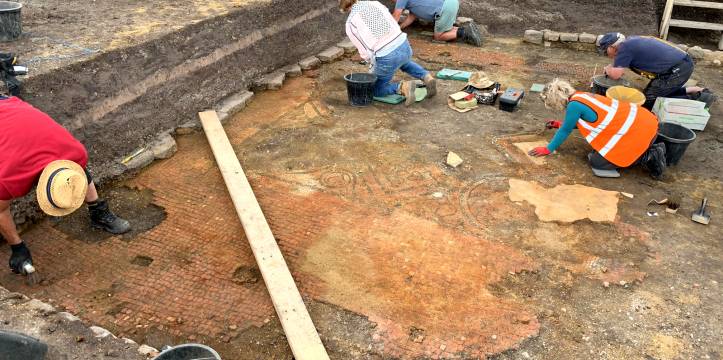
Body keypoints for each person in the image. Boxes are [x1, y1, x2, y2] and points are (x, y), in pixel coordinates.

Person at [1, 96, 131, 275]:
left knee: (76, 169)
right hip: (8, 112)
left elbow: (76, 172)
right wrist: (17, 247)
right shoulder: (10, 178)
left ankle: (98, 212)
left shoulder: (76, 153)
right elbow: (1, 210)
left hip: (12, 107)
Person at [528, 79, 667, 179]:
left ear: (555, 100)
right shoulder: (581, 96)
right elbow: (582, 121)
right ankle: (648, 148)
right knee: (598, 152)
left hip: (638, 132)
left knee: (597, 162)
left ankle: (650, 155)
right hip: (648, 123)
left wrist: (548, 149)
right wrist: (559, 124)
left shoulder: (573, 106)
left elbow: (566, 130)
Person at [342, 0, 437, 106]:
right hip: (403, 43)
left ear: (344, 8)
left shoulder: (350, 23)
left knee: (375, 90)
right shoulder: (375, 3)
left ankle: (402, 87)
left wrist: (371, 64)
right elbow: (392, 21)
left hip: (387, 56)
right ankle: (426, 77)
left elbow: (364, 52)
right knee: (403, 62)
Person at [597, 32, 715, 110]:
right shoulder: (629, 44)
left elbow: (616, 75)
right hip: (681, 64)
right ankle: (696, 90)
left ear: (612, 47)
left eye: (605, 49)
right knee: (659, 91)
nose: (605, 53)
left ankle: (698, 99)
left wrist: (608, 70)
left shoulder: (624, 49)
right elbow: (620, 66)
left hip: (677, 69)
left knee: (649, 101)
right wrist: (613, 66)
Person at [391, 0, 482, 46]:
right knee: (447, 30)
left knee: (438, 37)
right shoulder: (412, 4)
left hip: (444, 8)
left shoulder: (400, 0)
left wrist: (388, 33)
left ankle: (465, 33)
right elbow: (411, 17)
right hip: (450, 3)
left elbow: (396, 16)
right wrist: (400, 28)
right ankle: (467, 29)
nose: (393, 2)